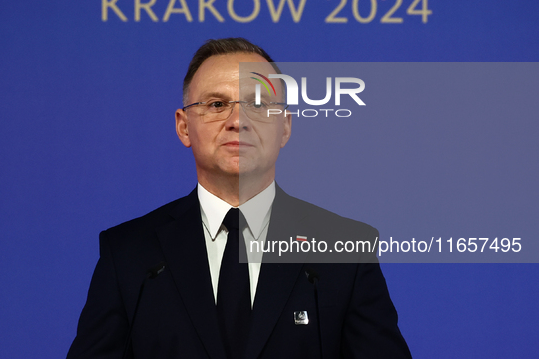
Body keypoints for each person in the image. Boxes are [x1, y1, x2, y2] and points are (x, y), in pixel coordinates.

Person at [67, 38, 411, 358]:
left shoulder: (346, 248)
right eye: (217, 104)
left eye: (259, 104)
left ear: (285, 127)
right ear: (184, 127)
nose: (237, 121)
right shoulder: (128, 253)